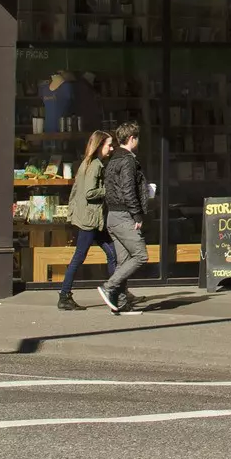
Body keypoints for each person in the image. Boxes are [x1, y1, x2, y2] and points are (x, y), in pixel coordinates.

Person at [57, 130, 117, 311]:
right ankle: (64, 295)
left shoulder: (88, 163)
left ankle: (116, 291)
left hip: (90, 218)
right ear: (100, 146)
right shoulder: (95, 165)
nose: (112, 148)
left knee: (112, 253)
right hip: (89, 220)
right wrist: (109, 189)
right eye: (109, 145)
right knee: (79, 257)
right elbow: (90, 193)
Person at [99, 120, 149, 314]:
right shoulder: (127, 159)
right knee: (140, 255)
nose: (138, 141)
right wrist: (137, 215)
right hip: (124, 215)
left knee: (123, 261)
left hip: (112, 215)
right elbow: (128, 189)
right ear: (131, 138)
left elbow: (116, 188)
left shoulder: (112, 159)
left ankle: (120, 303)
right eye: (137, 138)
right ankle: (109, 287)